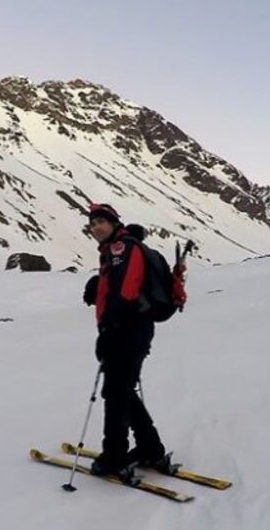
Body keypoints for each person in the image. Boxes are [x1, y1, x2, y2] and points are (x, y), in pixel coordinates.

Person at [82, 203, 167, 481]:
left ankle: (114, 457)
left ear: (114, 222)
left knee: (115, 393)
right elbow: (121, 287)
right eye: (92, 224)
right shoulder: (115, 251)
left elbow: (127, 290)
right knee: (123, 389)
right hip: (130, 328)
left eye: (100, 222)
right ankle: (150, 448)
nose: (96, 228)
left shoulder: (121, 249)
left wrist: (109, 330)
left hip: (128, 330)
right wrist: (99, 286)